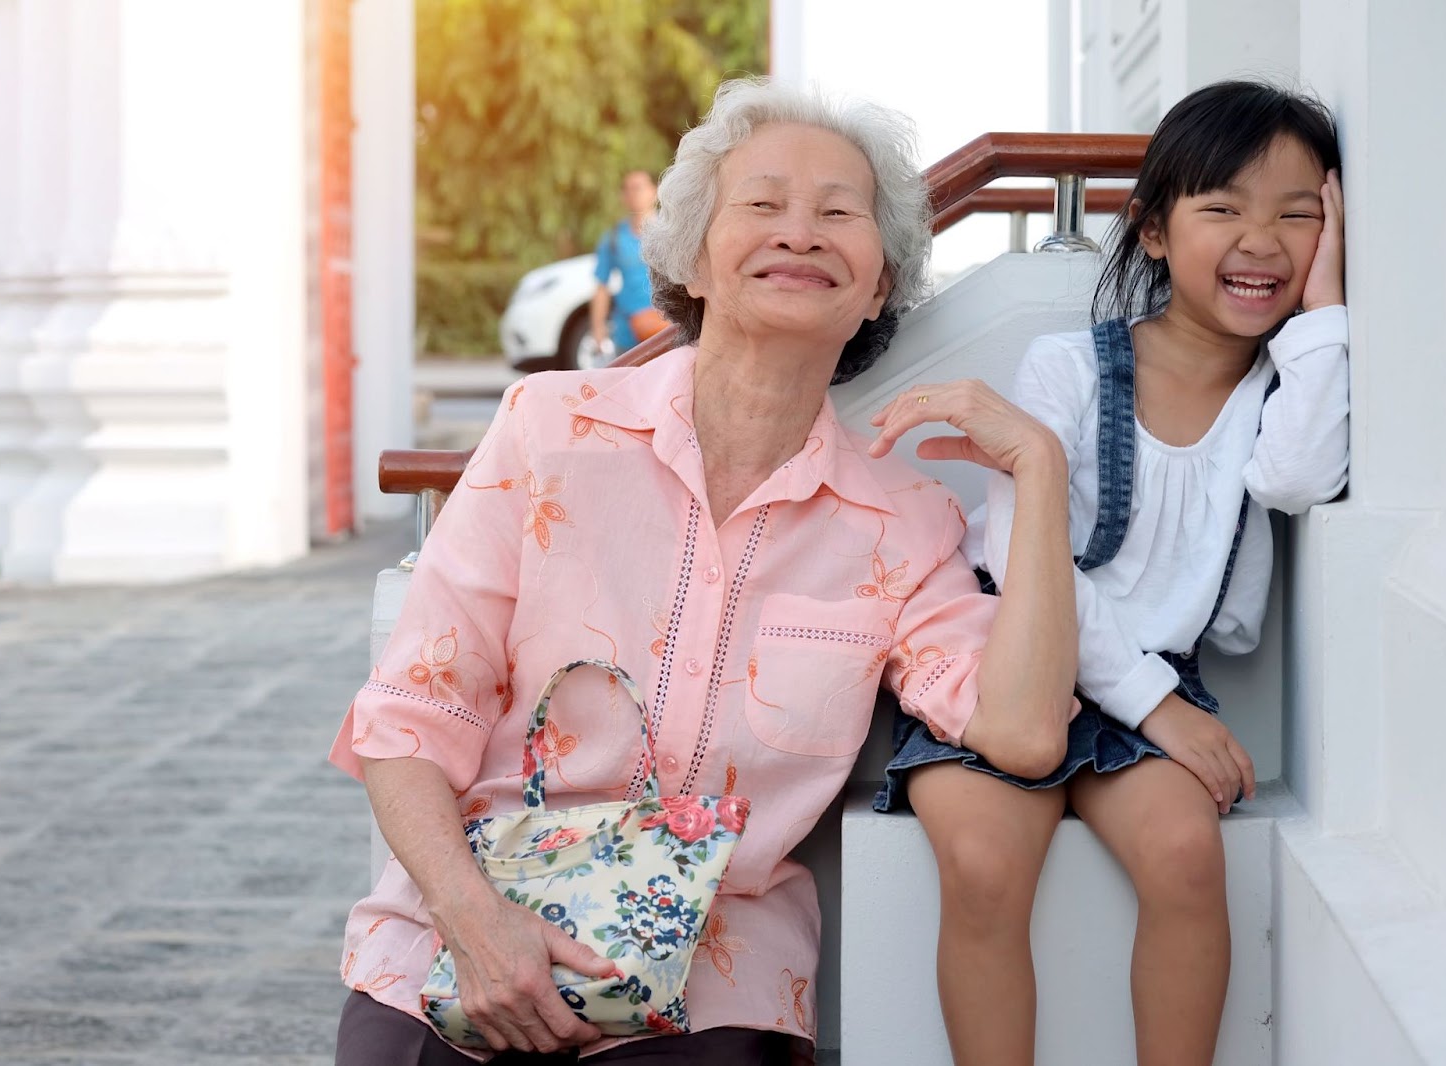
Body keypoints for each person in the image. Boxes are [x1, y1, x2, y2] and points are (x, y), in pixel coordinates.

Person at [329, 76, 1080, 1065]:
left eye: (838, 214)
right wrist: (474, 922)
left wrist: (1041, 467)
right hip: (464, 930)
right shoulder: (548, 431)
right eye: (763, 205)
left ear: (880, 283)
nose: (801, 233)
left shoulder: (904, 525)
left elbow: (1022, 731)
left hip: (710, 980)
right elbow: (406, 719)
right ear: (692, 258)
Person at [876, 80, 1349, 1065]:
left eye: (1297, 216)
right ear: (1155, 232)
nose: (1260, 239)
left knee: (1185, 855)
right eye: (1222, 208)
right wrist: (1155, 705)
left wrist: (1325, 310)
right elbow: (1017, 552)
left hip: (1148, 690)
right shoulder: (1070, 368)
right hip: (1013, 661)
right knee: (981, 859)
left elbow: (1300, 474)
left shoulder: (1281, 388)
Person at [589, 170, 659, 363]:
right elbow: (601, 287)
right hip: (628, 335)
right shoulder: (613, 238)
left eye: (638, 188)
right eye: (627, 189)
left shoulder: (670, 233)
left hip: (665, 331)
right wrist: (598, 329)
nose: (633, 194)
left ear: (654, 191)